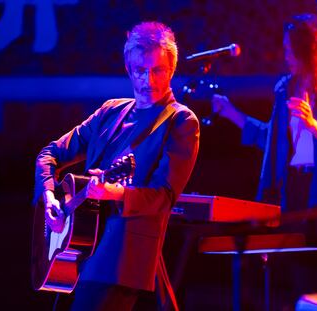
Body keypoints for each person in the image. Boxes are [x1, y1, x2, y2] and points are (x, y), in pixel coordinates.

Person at [34, 21, 199, 310]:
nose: (148, 80)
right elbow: (49, 154)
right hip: (75, 250)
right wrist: (49, 197)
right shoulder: (110, 111)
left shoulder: (180, 122)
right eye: (139, 70)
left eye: (157, 70)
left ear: (171, 69)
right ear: (128, 68)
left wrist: (116, 194)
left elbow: (163, 197)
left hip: (120, 259)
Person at [212, 13, 317, 299]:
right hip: (295, 194)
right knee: (298, 280)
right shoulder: (286, 89)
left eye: (291, 49)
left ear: (311, 51)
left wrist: (314, 126)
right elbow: (273, 142)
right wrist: (232, 114)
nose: (287, 56)